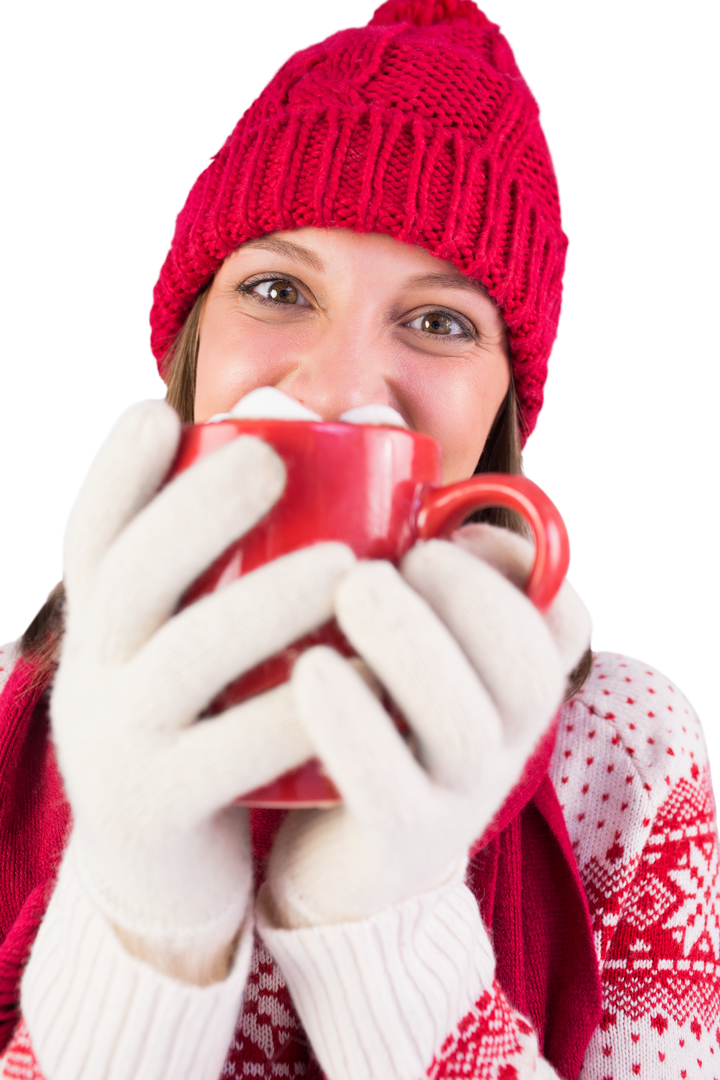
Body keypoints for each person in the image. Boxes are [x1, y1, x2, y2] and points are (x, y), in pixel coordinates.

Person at [0, 1, 716, 1077]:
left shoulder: (627, 748)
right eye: (278, 289)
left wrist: (387, 939)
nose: (337, 388)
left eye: (440, 321)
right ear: (189, 356)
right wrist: (142, 932)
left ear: (500, 419)